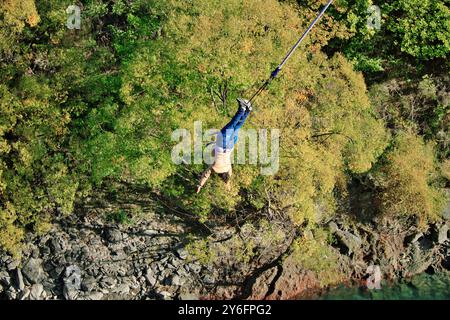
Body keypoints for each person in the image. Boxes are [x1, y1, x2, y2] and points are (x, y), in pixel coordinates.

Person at [196, 98, 252, 193]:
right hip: (222, 143)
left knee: (237, 126)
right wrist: (199, 185)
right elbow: (206, 174)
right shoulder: (214, 167)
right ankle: (242, 109)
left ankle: (248, 110)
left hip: (230, 145)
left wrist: (228, 186)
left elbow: (229, 177)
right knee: (232, 124)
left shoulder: (228, 168)